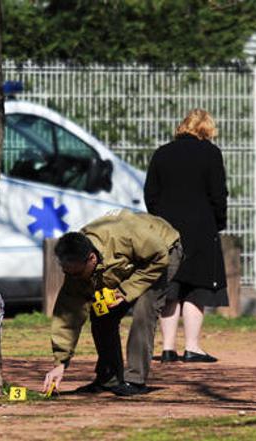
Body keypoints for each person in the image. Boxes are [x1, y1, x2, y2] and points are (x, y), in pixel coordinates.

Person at [42, 209, 182, 397]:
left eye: (76, 273)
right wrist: (60, 363)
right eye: (67, 273)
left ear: (91, 259)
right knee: (101, 313)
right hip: (128, 262)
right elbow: (67, 316)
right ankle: (109, 378)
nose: (73, 278)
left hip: (161, 253)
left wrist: (125, 292)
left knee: (144, 310)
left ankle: (135, 380)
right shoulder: (76, 270)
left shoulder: (124, 235)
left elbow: (160, 257)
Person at [144, 108, 228, 363]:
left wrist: (159, 219)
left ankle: (168, 348)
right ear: (207, 129)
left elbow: (151, 193)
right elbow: (218, 194)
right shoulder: (211, 153)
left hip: (166, 231)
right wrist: (218, 222)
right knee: (196, 288)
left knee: (170, 287)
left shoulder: (162, 153)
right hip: (202, 228)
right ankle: (192, 347)